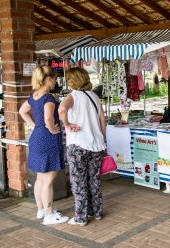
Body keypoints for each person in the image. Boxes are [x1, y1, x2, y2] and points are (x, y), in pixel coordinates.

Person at [18, 66, 69, 225]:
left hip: (36, 138)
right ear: (48, 79)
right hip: (48, 140)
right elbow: (48, 118)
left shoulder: (33, 97)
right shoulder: (48, 98)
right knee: (49, 179)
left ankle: (41, 210)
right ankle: (49, 215)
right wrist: (52, 128)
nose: (55, 82)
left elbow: (22, 112)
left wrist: (35, 125)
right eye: (54, 78)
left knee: (40, 177)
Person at [58, 67, 106, 226]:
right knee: (94, 179)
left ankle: (81, 217)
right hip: (96, 145)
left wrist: (67, 124)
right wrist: (102, 139)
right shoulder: (94, 96)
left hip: (78, 144)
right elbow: (102, 121)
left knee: (78, 182)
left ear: (72, 81)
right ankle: (97, 212)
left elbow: (62, 109)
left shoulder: (73, 96)